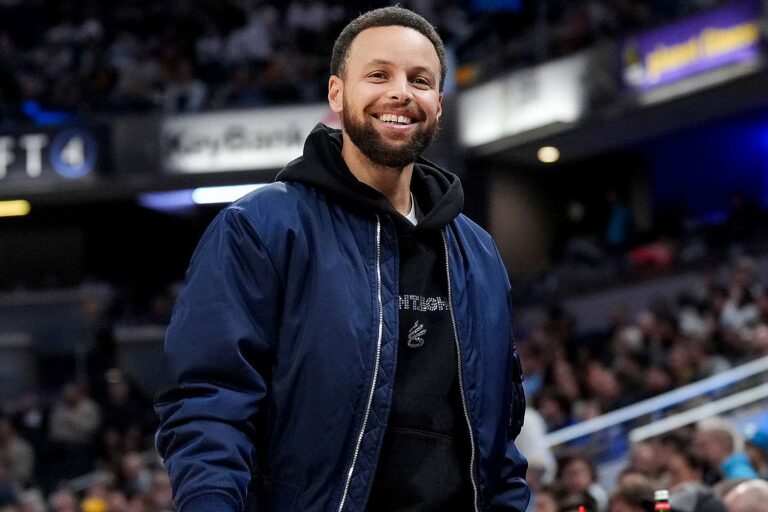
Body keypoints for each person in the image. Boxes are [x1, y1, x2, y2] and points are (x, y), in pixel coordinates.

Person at [154, 6, 529, 512]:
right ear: (337, 93)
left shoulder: (478, 253)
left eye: (420, 80)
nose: (400, 93)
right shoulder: (262, 227)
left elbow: (500, 438)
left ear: (438, 104)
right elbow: (210, 405)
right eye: (378, 75)